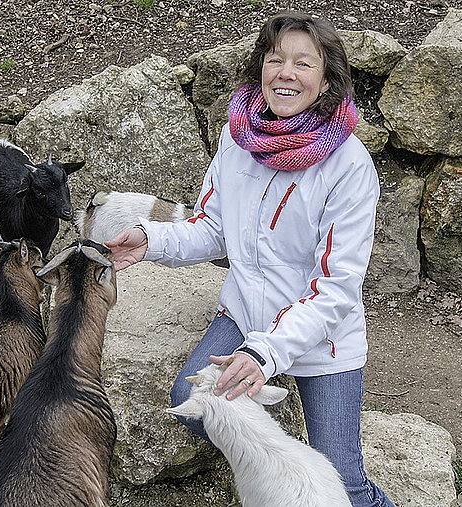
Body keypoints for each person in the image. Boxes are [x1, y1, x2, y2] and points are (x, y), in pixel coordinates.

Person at [107, 10, 395, 507]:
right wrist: (150, 240)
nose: (286, 72)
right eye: (275, 58)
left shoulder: (349, 166)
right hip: (243, 315)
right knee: (190, 404)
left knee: (344, 485)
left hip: (322, 339)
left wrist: (264, 356)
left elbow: (335, 291)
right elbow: (213, 229)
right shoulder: (237, 139)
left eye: (303, 63)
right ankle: (277, 466)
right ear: (259, 66)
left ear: (327, 81)